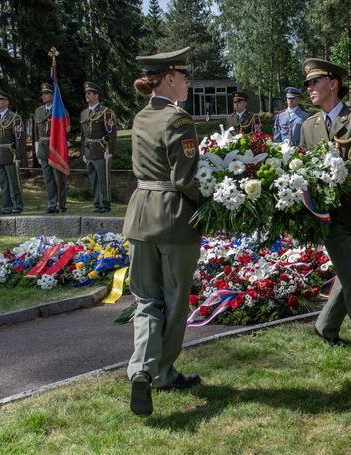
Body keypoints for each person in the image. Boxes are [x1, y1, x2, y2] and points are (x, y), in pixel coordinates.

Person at [124, 47, 203, 416]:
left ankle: (140, 367)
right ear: (169, 78)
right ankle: (163, 372)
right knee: (174, 301)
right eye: (185, 75)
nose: (188, 81)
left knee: (145, 299)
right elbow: (185, 178)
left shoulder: (140, 116)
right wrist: (213, 201)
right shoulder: (179, 120)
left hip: (140, 216)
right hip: (173, 217)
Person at [299, 58, 351, 381]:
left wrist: (328, 177)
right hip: (329, 218)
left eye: (314, 83)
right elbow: (300, 166)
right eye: (307, 84)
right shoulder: (308, 126)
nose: (309, 89)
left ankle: (325, 326)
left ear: (332, 84)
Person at [79, 81, 117, 213]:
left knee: (102, 179)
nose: (87, 96)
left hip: (101, 151)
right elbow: (83, 135)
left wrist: (109, 150)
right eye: (86, 94)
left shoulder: (105, 112)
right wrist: (83, 152)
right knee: (93, 179)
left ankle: (105, 204)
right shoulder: (84, 113)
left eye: (89, 93)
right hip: (89, 151)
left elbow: (111, 133)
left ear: (96, 95)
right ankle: (96, 203)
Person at [33, 82, 68, 213]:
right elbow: (36, 132)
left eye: (47, 93)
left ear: (54, 95)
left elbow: (64, 131)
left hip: (56, 148)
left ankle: (61, 203)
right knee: (48, 179)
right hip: (43, 148)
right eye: (42, 94)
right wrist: (37, 148)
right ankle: (52, 203)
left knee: (59, 178)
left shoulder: (60, 110)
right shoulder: (39, 111)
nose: (44, 96)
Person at [0, 90, 25, 214]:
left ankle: (17, 206)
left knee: (13, 182)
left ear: (6, 102)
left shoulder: (14, 118)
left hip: (10, 154)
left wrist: (19, 156)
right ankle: (6, 206)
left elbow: (19, 139)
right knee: (3, 183)